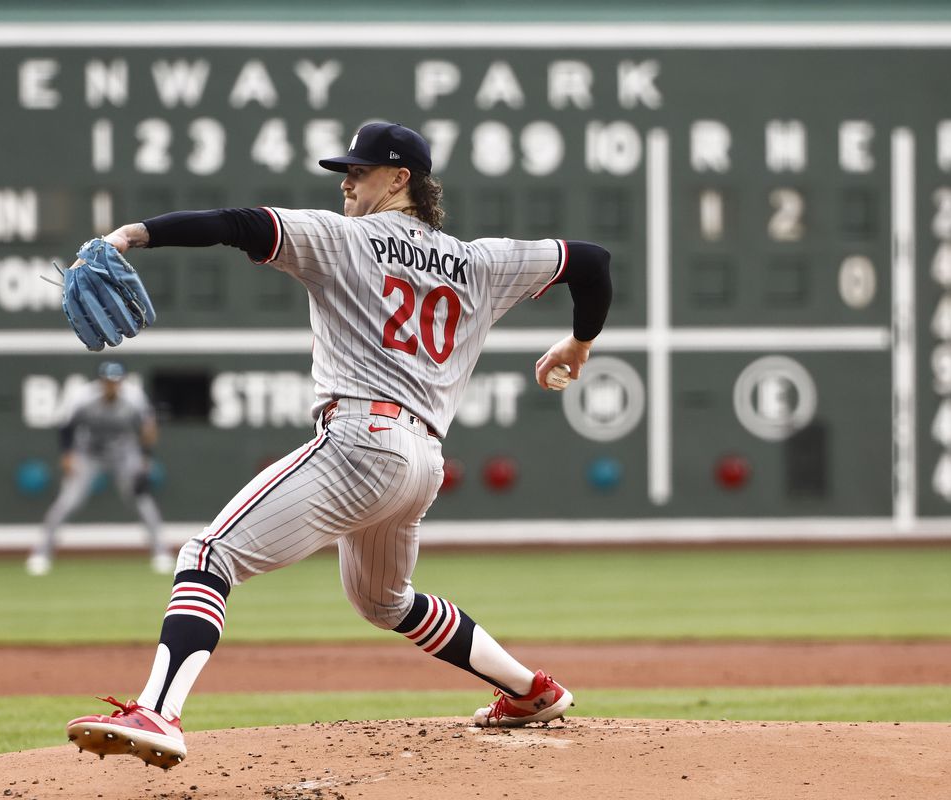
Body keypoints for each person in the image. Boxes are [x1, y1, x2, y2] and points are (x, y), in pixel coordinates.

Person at [64, 122, 612, 769]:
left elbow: (235, 223)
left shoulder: (340, 239)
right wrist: (579, 343)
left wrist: (129, 235)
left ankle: (157, 709)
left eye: (359, 170)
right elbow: (593, 262)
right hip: (423, 461)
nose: (346, 180)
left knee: (208, 554)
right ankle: (529, 691)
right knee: (385, 602)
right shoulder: (483, 261)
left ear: (400, 178)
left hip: (360, 442)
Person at [26, 361, 175, 576]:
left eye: (115, 382)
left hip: (123, 452)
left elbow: (148, 428)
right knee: (67, 501)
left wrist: (145, 458)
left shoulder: (133, 397)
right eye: (107, 382)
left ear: (122, 382)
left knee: (141, 499)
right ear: (101, 381)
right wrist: (67, 455)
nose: (111, 386)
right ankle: (41, 553)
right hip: (88, 452)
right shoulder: (85, 397)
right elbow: (66, 426)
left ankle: (161, 552)